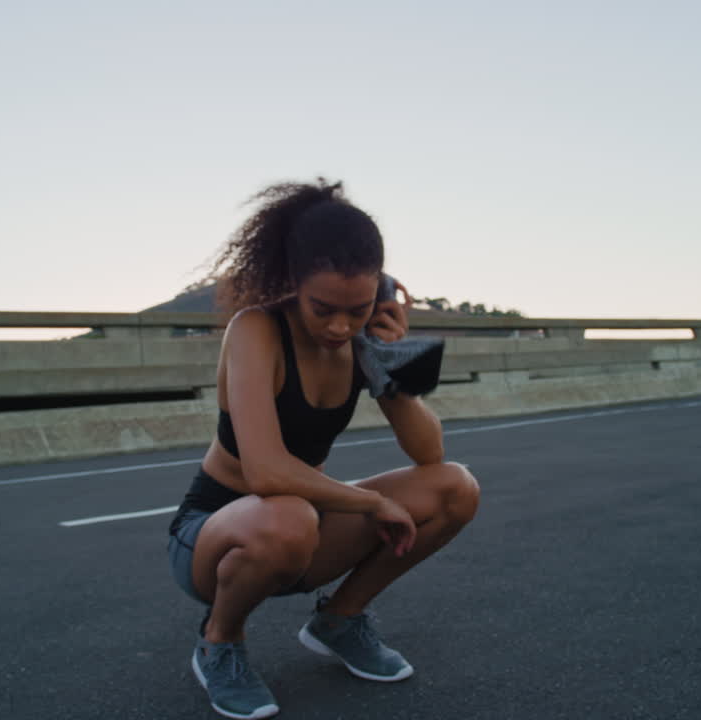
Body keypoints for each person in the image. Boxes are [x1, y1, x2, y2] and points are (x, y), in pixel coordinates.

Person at [166, 179, 480, 719]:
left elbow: (429, 453)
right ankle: (219, 642)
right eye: (323, 308)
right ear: (292, 283)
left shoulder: (360, 342)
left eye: (358, 310)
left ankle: (339, 619)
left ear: (380, 294)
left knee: (456, 487)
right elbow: (266, 472)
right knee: (286, 517)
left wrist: (389, 359)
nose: (340, 326)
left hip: (301, 528)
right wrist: (371, 502)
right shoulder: (256, 330)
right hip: (214, 538)